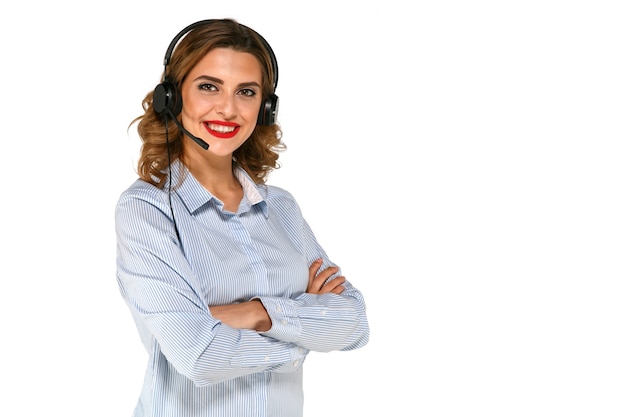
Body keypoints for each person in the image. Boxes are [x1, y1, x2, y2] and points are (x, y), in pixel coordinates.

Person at [115, 18, 369, 416]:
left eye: (246, 92)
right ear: (172, 96)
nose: (228, 108)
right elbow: (199, 355)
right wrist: (306, 330)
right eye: (208, 86)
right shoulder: (147, 210)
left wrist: (257, 313)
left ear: (264, 108)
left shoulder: (281, 209)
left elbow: (353, 323)